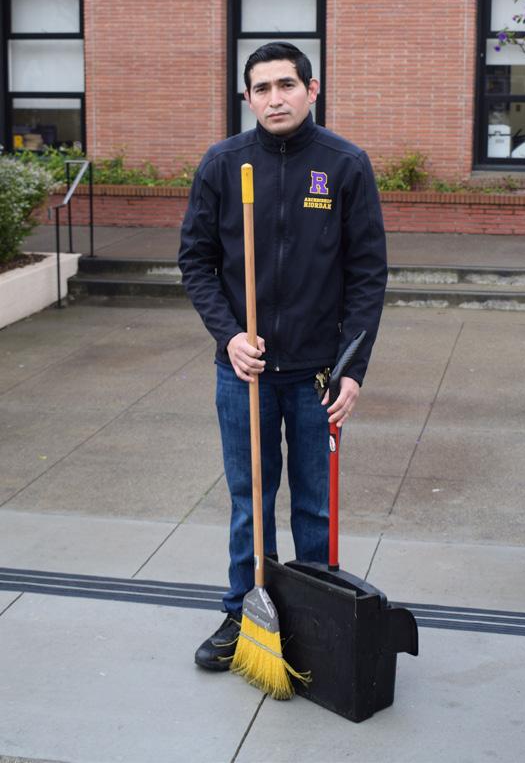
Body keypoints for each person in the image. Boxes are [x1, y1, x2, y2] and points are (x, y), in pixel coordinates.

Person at [178, 41, 387, 671]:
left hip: (318, 374)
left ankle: (318, 622)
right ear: (247, 98)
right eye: (262, 88)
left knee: (315, 507)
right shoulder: (223, 164)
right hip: (244, 373)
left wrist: (352, 369)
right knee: (251, 501)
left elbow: (367, 275)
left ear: (311, 89)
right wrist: (228, 335)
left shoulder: (345, 165)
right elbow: (196, 262)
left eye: (286, 85)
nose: (275, 98)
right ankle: (246, 613)